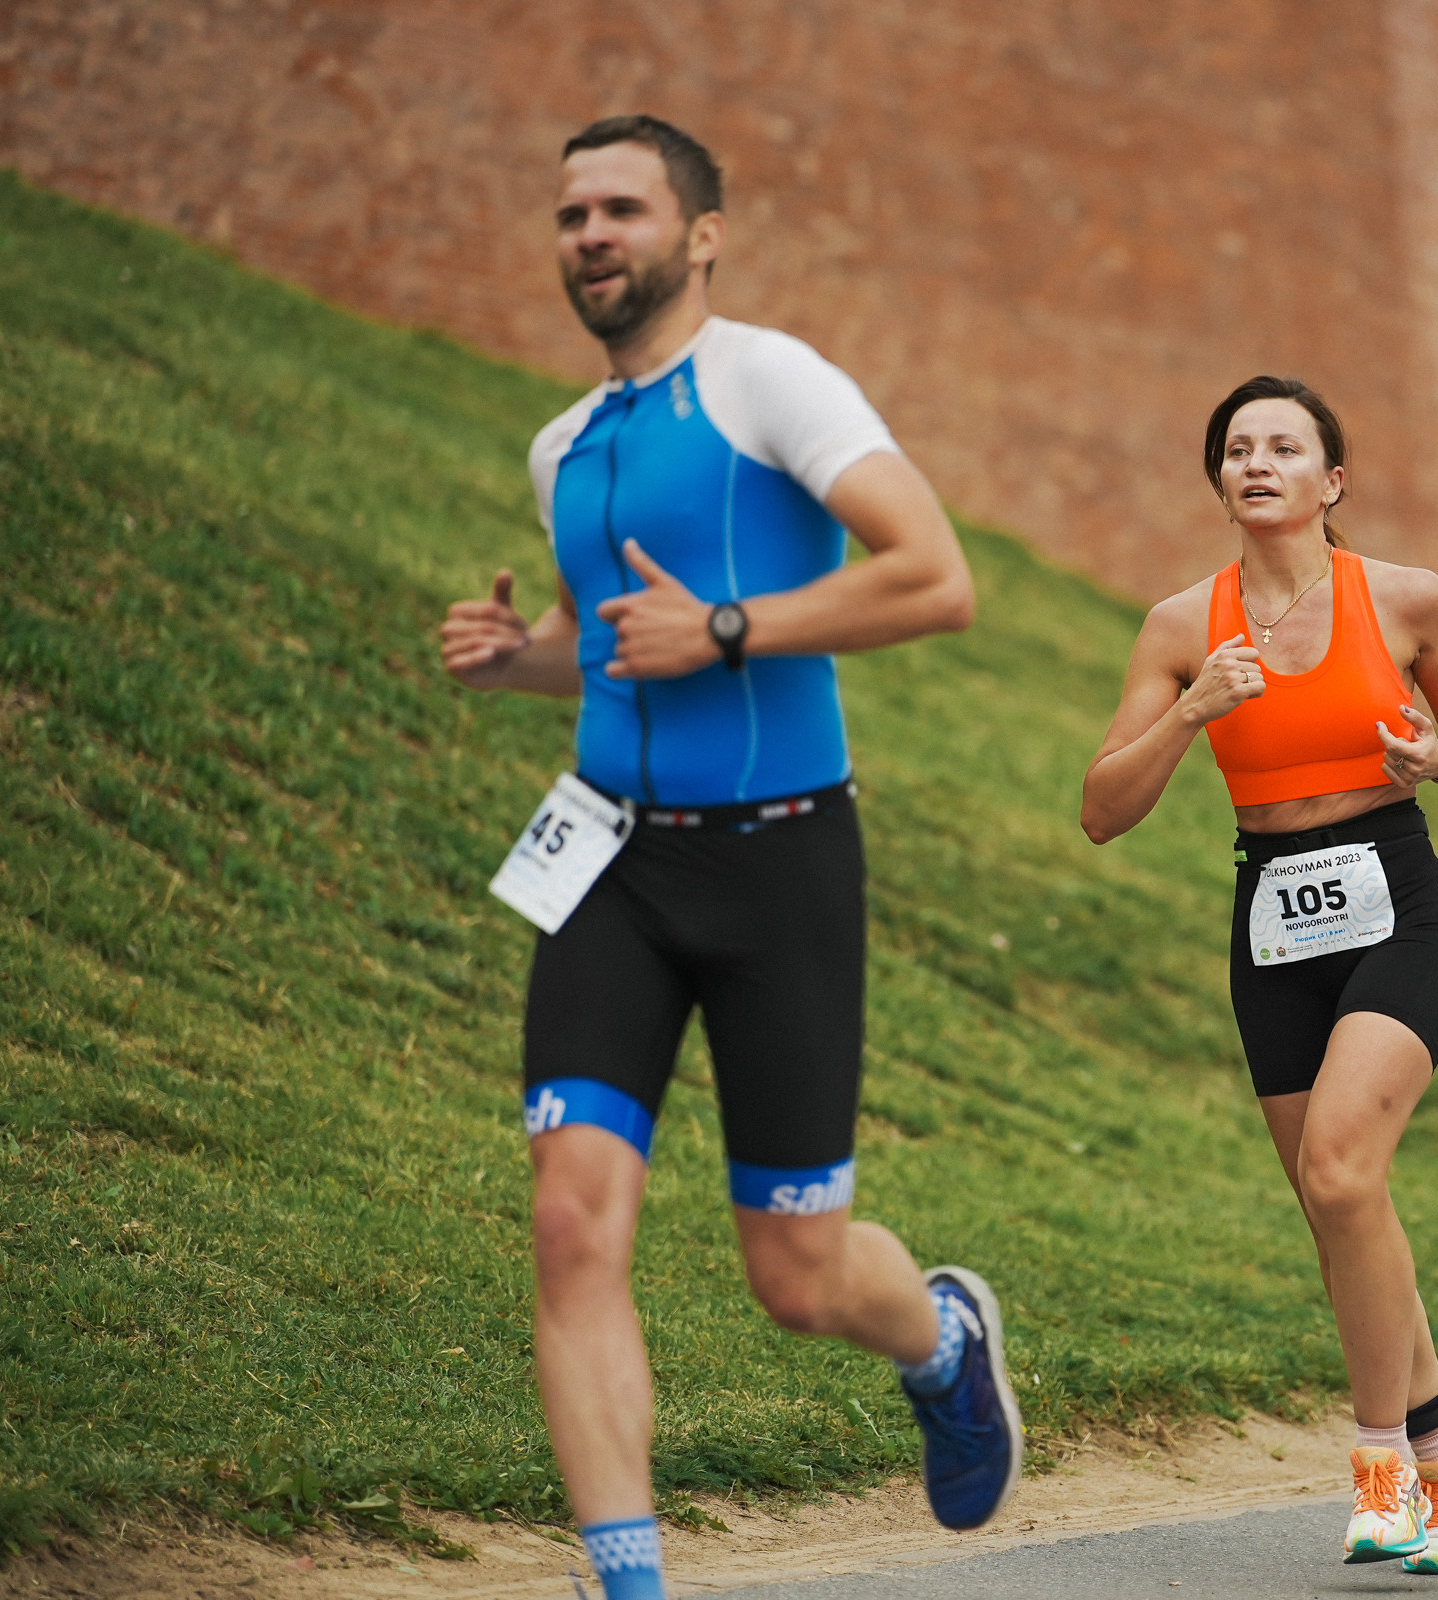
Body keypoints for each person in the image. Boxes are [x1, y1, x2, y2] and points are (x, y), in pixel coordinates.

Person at [438, 115, 1021, 1600]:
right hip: (612, 870)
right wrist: (524, 659)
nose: (591, 236)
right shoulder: (562, 444)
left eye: (622, 209)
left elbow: (934, 577)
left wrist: (730, 629)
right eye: (572, 213)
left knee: (796, 1275)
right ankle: (628, 1581)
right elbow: (616, 650)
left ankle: (943, 1340)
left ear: (699, 235)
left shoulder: (770, 381)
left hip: (780, 868)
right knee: (571, 1220)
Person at [1080, 376, 1438, 1573]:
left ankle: (1388, 1474)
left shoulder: (1406, 597)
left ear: (1334, 479)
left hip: (1398, 902)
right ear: (1219, 480)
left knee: (1339, 1163)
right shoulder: (1180, 627)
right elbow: (1101, 809)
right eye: (1236, 449)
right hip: (1270, 918)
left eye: (1284, 446)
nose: (1255, 462)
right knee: (1339, 1205)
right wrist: (1191, 712)